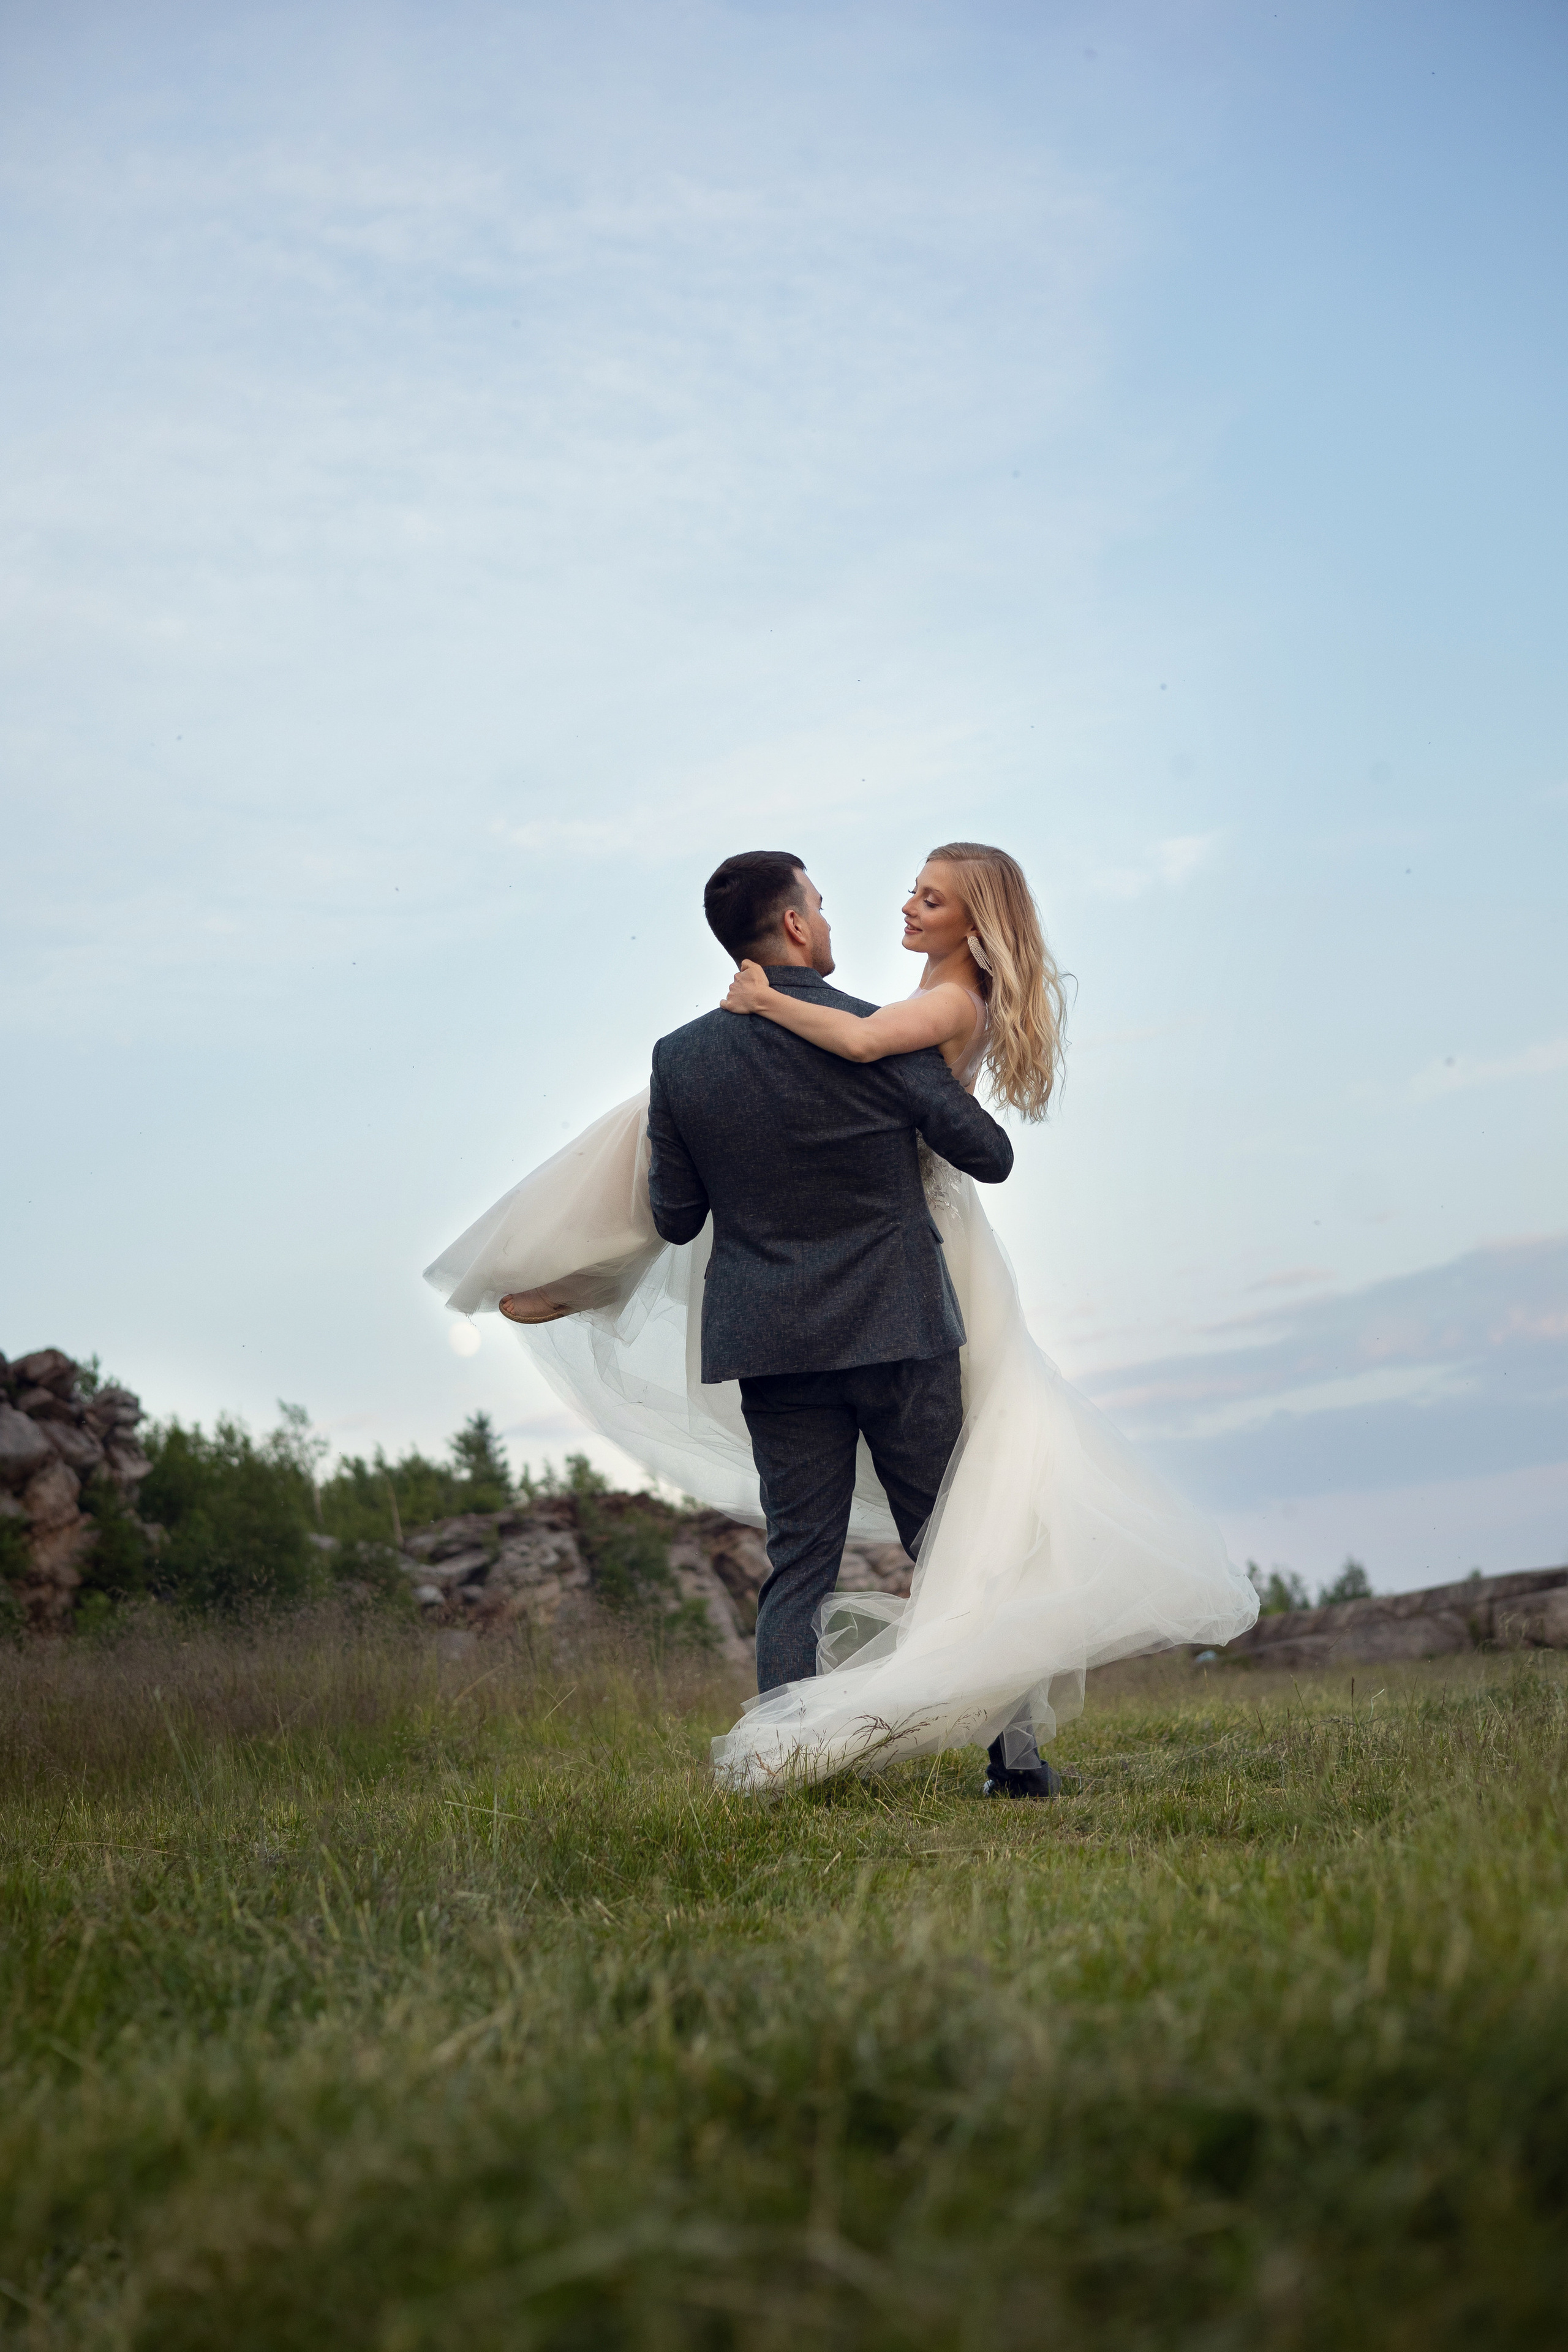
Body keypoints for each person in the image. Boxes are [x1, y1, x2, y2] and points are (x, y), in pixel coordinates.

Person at [423, 844, 1257, 1794]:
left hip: (772, 1344)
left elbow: (679, 1219)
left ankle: (782, 1766)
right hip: (898, 1322)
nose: (830, 918)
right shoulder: (879, 1033)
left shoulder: (681, 1060)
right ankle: (1016, 1769)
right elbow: (985, 1154)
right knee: (955, 1542)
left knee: (799, 1560)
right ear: (791, 925)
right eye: (818, 905)